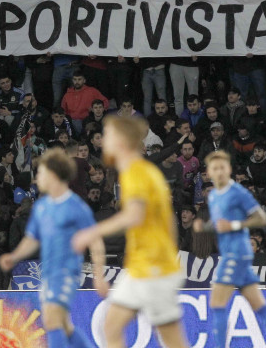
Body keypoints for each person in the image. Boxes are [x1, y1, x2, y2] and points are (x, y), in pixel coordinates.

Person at [71, 116, 188, 348]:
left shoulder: (135, 171)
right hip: (145, 265)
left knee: (165, 337)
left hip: (153, 268)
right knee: (114, 327)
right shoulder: (141, 170)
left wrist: (89, 233)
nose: (105, 141)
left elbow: (133, 215)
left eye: (109, 135)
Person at [0, 148, 106, 348]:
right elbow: (32, 238)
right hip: (49, 270)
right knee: (64, 324)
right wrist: (14, 256)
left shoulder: (75, 206)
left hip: (66, 270)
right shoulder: (42, 206)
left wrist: (98, 273)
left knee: (52, 321)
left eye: (41, 173)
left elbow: (95, 240)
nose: (37, 177)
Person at [193, 151, 266, 348]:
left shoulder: (237, 192)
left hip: (237, 253)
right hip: (234, 253)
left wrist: (234, 226)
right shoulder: (214, 197)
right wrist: (205, 227)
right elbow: (221, 223)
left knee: (217, 303)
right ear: (209, 172)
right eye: (214, 168)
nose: (219, 172)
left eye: (222, 167)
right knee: (259, 304)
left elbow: (262, 219)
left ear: (228, 169)